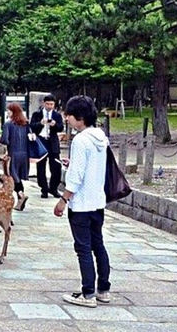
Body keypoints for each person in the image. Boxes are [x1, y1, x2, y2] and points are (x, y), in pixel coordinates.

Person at [54, 95, 111, 308]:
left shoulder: (80, 140)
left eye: (69, 115)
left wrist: (63, 200)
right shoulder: (101, 138)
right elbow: (91, 168)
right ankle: (103, 289)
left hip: (81, 204)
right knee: (98, 245)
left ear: (79, 117)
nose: (66, 119)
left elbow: (76, 176)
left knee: (83, 248)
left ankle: (88, 293)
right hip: (97, 201)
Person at [30, 94, 64, 198]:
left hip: (52, 141)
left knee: (56, 166)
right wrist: (41, 123)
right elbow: (32, 127)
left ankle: (53, 188)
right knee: (41, 166)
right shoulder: (37, 114)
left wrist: (54, 124)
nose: (49, 106)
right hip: (41, 141)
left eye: (51, 104)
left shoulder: (57, 115)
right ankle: (43, 188)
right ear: (44, 103)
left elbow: (61, 127)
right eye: (48, 104)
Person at [0, 102, 30, 211]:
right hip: (25, 154)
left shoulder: (8, 124)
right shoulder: (25, 124)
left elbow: (4, 140)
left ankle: (21, 195)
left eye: (9, 110)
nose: (8, 112)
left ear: (14, 111)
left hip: (14, 153)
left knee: (13, 176)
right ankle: (20, 200)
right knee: (18, 176)